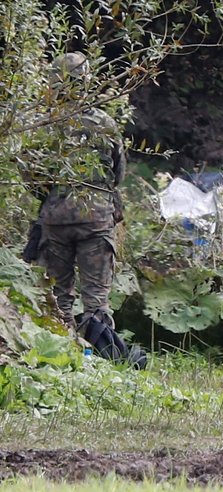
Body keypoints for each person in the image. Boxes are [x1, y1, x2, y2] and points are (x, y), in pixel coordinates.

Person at [37, 52, 126, 332]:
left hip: (56, 219)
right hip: (96, 219)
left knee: (57, 298)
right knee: (97, 299)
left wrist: (51, 198)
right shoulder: (104, 122)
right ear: (87, 82)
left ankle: (62, 352)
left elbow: (32, 174)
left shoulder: (44, 122)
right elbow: (118, 171)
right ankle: (98, 355)